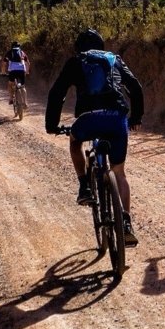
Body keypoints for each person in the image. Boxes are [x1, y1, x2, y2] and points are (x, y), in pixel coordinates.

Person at [45, 29, 145, 246]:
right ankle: (126, 222)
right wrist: (136, 117)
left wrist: (51, 125)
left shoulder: (76, 61)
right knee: (119, 172)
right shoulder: (114, 59)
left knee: (75, 142)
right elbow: (135, 87)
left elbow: (57, 93)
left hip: (88, 119)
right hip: (116, 118)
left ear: (77, 47)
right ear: (101, 45)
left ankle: (84, 186)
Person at [1, 41, 30, 106]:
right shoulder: (22, 52)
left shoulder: (9, 52)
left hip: (12, 71)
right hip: (22, 71)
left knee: (10, 84)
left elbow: (4, 64)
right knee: (23, 87)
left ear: (12, 46)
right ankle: (25, 103)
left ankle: (11, 98)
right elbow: (28, 63)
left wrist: (3, 72)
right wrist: (27, 71)